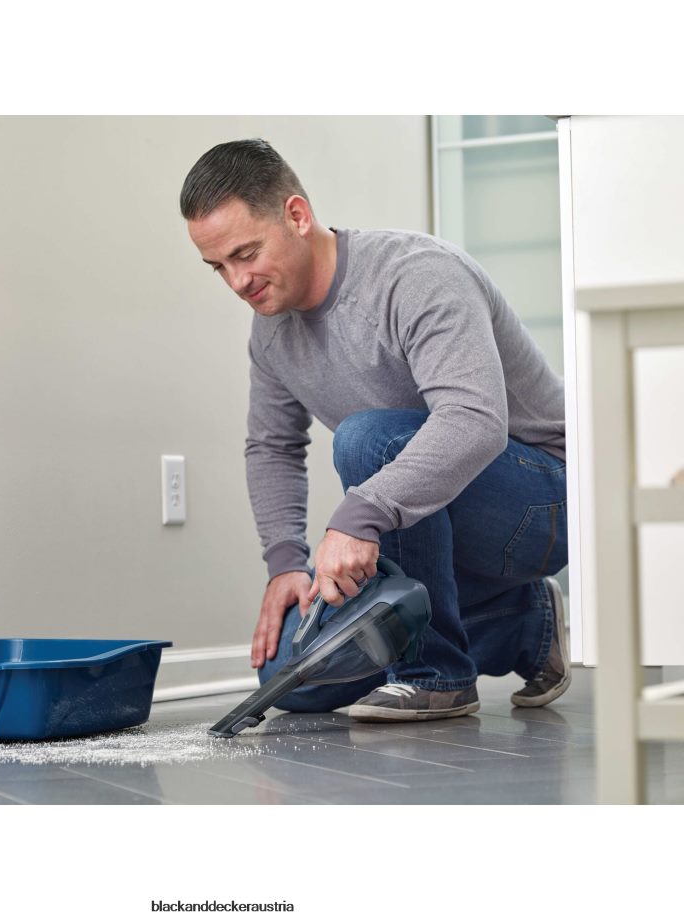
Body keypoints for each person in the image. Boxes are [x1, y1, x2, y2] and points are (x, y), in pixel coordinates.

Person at [180, 138, 570, 722]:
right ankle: (524, 623)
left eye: (246, 253)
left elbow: (475, 419)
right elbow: (272, 447)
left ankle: (436, 677)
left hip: (544, 503)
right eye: (219, 267)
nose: (237, 281)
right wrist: (285, 562)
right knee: (292, 677)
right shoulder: (271, 333)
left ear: (296, 215)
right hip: (432, 517)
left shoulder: (416, 275)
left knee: (368, 440)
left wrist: (359, 514)